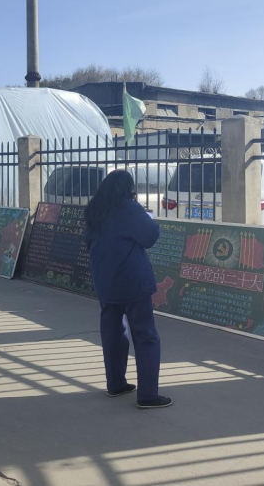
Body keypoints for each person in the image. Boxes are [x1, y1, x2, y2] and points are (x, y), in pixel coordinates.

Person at [84, 170, 172, 410]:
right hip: (133, 282)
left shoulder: (95, 210)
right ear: (128, 188)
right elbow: (150, 235)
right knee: (145, 336)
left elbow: (89, 242)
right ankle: (148, 395)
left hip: (105, 282)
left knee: (113, 335)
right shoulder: (128, 208)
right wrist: (139, 209)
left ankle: (116, 384)